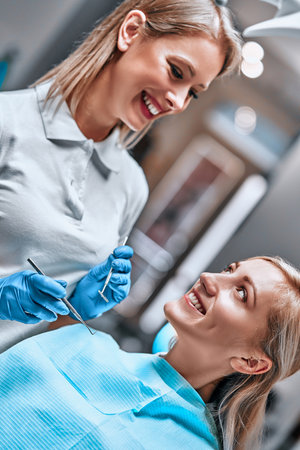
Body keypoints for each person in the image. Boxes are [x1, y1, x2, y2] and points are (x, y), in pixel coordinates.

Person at [0, 0, 242, 330]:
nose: (178, 101)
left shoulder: (131, 187)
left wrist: (77, 313)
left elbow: (54, 335)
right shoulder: (7, 122)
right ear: (130, 32)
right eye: (176, 72)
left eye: (193, 93)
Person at [0, 255, 299, 450]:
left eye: (242, 293)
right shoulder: (90, 345)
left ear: (250, 361)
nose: (209, 277)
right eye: (229, 270)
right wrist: (70, 311)